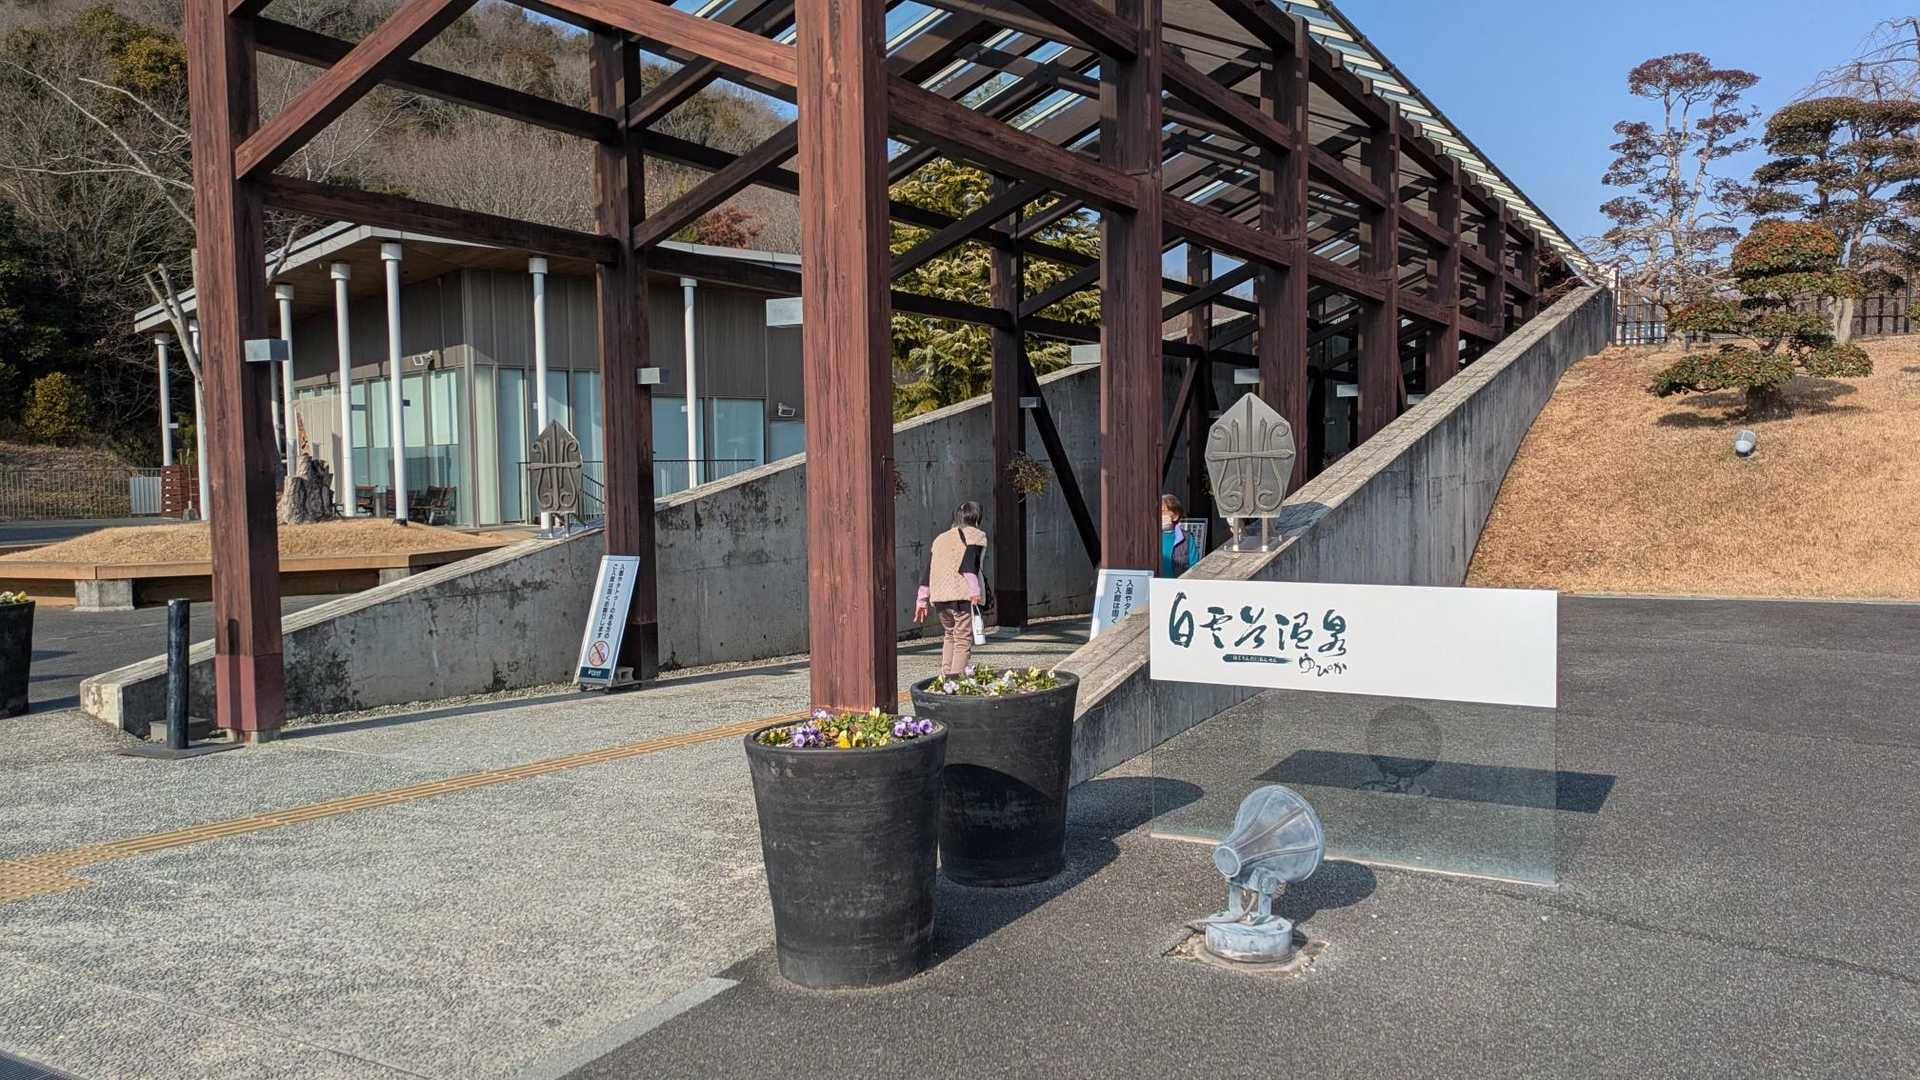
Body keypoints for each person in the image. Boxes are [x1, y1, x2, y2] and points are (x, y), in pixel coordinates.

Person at [916, 501, 988, 675]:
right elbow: (968, 567)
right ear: (977, 517)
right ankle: (955, 681)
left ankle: (946, 678)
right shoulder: (976, 535)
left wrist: (921, 600)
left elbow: (929, 570)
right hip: (962, 597)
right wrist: (975, 592)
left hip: (940, 598)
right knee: (962, 640)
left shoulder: (940, 539)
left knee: (950, 635)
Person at [1159, 493, 1195, 578]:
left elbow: (1195, 567)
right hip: (1154, 584)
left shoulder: (1187, 538)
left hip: (1178, 584)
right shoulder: (1149, 537)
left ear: (1175, 516)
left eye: (1163, 512)